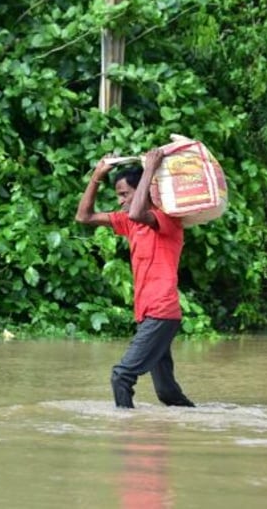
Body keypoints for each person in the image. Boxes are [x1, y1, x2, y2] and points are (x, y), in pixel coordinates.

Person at [75, 148, 195, 409]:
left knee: (121, 376)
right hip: (148, 314)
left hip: (161, 312)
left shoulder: (167, 219)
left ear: (142, 190)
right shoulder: (131, 224)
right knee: (167, 393)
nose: (120, 201)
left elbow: (138, 212)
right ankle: (199, 425)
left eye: (124, 194)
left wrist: (150, 170)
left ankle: (125, 429)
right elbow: (83, 216)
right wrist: (96, 177)